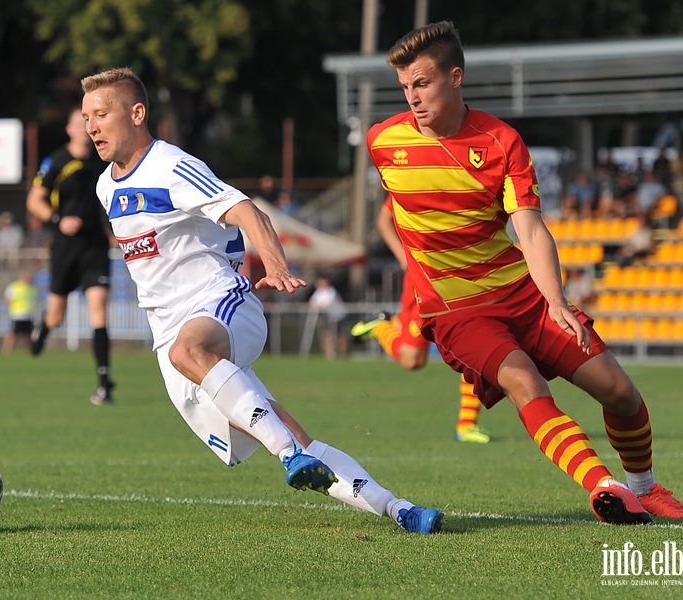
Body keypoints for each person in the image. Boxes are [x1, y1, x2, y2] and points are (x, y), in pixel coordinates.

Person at [79, 66, 443, 534]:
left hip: (222, 304)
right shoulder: (105, 186)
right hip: (171, 338)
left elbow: (248, 211)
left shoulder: (171, 165)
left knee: (192, 353)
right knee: (294, 433)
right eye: (86, 116)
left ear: (137, 113)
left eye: (101, 114)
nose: (91, 126)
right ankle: (399, 509)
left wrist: (275, 266)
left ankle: (287, 455)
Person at [366, 21, 683, 525]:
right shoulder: (383, 143)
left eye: (423, 83)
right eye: (405, 87)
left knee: (621, 392)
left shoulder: (501, 142)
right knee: (525, 382)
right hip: (457, 310)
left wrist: (557, 302)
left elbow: (532, 232)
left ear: (455, 78)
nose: (412, 97)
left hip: (524, 297)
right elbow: (396, 214)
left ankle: (644, 489)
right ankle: (601, 488)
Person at [352, 197, 490, 444]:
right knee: (413, 360)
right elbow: (384, 220)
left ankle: (466, 425)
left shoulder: (464, 171)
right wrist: (403, 257)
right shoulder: (413, 171)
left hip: (463, 274)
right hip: (423, 278)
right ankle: (382, 326)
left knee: (479, 343)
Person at [26, 107, 115, 406]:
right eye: (81, 122)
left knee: (99, 309)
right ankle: (43, 328)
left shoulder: (103, 160)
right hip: (65, 245)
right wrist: (57, 221)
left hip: (95, 245)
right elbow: (34, 200)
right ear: (69, 129)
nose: (87, 127)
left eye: (91, 121)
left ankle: (104, 382)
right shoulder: (56, 161)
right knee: (56, 314)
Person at [307, 276, 348, 359]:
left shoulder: (331, 291)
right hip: (328, 317)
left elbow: (327, 304)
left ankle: (342, 354)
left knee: (340, 335)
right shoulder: (318, 292)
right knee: (327, 334)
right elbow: (312, 303)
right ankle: (329, 354)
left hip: (337, 316)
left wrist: (318, 306)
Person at [2, 271, 39, 353]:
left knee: (28, 335)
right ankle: (7, 351)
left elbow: (34, 301)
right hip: (17, 315)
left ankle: (30, 352)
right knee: (14, 334)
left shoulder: (33, 288)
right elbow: (7, 299)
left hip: (28, 315)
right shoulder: (14, 286)